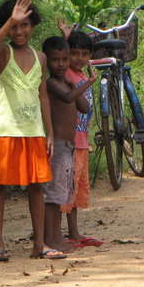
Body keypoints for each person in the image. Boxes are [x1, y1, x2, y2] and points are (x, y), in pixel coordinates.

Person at [0, 0, 64, 260]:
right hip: (6, 130)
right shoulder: (5, 52)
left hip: (33, 132)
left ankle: (39, 245)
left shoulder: (40, 58)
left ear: (33, 26)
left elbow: (43, 97)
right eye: (15, 27)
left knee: (37, 187)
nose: (19, 32)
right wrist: (10, 21)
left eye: (25, 25)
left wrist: (49, 133)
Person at [42, 36, 95, 253]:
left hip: (70, 145)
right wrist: (86, 83)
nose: (62, 64)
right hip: (58, 145)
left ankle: (56, 237)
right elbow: (67, 98)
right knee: (53, 195)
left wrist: (76, 84)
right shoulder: (52, 83)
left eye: (64, 60)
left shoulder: (68, 82)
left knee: (63, 193)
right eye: (56, 60)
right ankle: (51, 238)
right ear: (47, 62)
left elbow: (82, 106)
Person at [58, 29, 104, 248]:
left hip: (81, 141)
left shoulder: (83, 75)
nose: (79, 58)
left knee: (74, 190)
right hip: (69, 140)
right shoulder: (67, 74)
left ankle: (74, 233)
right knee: (64, 189)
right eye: (74, 53)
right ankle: (57, 234)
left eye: (84, 54)